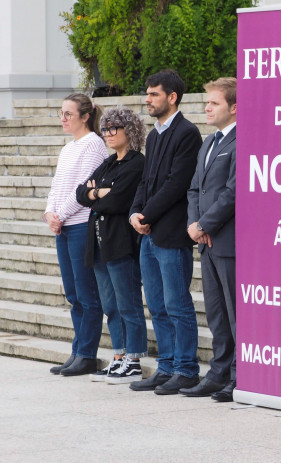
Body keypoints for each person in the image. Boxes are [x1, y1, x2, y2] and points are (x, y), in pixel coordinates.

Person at [128, 69, 203, 395]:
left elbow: (177, 183)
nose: (148, 99)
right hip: (149, 234)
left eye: (154, 94)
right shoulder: (154, 135)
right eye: (147, 93)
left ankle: (186, 369)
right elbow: (146, 181)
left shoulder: (187, 133)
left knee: (177, 305)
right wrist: (134, 212)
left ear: (172, 97)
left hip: (172, 234)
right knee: (156, 305)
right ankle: (168, 366)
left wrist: (147, 213)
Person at [75, 107, 147, 384]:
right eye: (105, 129)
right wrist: (97, 192)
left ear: (129, 131)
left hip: (120, 243)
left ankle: (134, 359)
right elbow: (81, 192)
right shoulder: (108, 163)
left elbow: (118, 201)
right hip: (98, 244)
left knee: (128, 303)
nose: (108, 134)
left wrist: (99, 194)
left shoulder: (136, 163)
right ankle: (119, 356)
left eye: (114, 128)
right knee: (110, 305)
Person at [182, 77, 237, 401]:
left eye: (214, 102)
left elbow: (234, 192)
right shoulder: (209, 141)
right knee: (216, 313)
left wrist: (205, 224)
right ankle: (218, 372)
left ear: (234, 107)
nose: (207, 107)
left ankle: (237, 376)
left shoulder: (241, 140)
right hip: (205, 240)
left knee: (233, 314)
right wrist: (194, 224)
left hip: (227, 241)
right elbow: (194, 188)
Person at [46, 94, 108, 377]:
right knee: (73, 293)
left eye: (68, 113)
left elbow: (85, 189)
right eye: (61, 113)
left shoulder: (94, 144)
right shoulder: (68, 148)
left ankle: (87, 354)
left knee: (87, 293)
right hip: (63, 226)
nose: (63, 118)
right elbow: (57, 185)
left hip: (81, 224)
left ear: (85, 116)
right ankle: (77, 350)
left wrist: (61, 215)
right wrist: (50, 212)